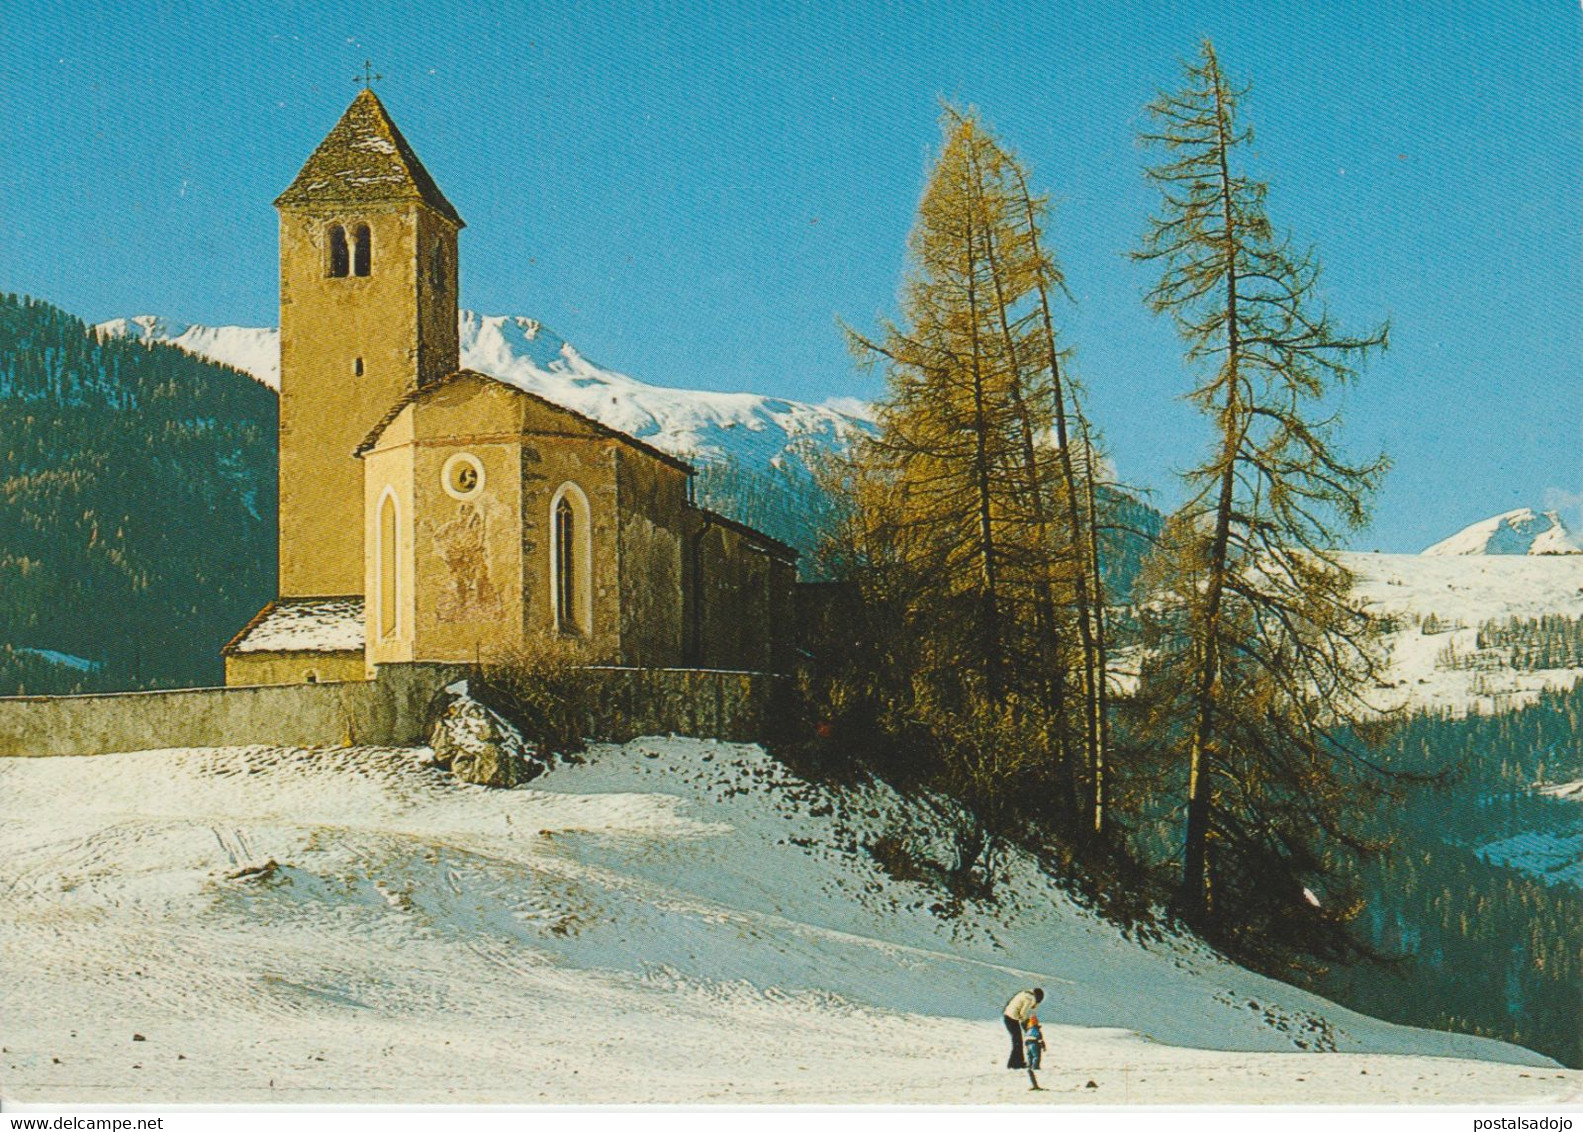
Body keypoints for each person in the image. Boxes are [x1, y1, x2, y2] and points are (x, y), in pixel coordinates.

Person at [1002, 987, 1043, 1069]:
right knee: (1017, 1041)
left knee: (1018, 1041)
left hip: (1009, 1016)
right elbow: (1023, 1013)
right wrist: (1025, 1024)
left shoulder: (1026, 993)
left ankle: (1017, 1062)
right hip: (1011, 1019)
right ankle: (1014, 1064)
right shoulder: (1030, 999)